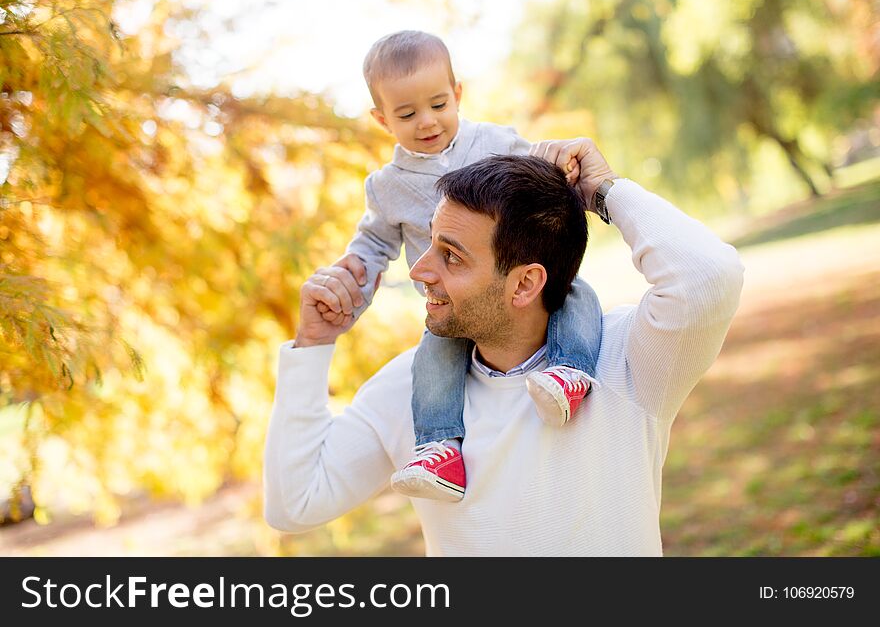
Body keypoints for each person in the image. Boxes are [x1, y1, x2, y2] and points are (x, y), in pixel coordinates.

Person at [264, 139, 745, 556]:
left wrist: (604, 191)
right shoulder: (413, 386)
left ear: (525, 285)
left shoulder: (626, 360)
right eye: (430, 244)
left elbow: (707, 276)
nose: (419, 270)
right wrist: (312, 345)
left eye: (450, 256)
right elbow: (297, 503)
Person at [315, 30, 603, 503]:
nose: (426, 122)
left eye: (438, 104)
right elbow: (373, 243)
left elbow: (542, 178)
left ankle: (569, 373)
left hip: (514, 278)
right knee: (434, 357)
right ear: (381, 118)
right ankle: (440, 447)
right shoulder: (387, 187)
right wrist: (353, 281)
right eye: (406, 114)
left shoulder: (497, 143)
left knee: (574, 295)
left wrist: (565, 170)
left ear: (458, 94)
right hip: (451, 303)